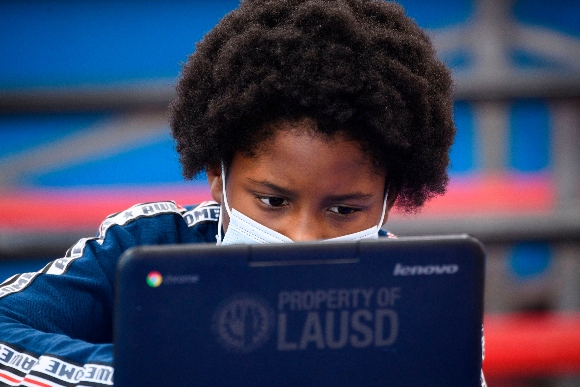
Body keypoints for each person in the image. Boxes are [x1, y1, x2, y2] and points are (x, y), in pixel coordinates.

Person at [0, 0, 469, 386]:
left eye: (344, 209)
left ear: (391, 196)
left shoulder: (418, 293)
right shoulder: (145, 246)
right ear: (217, 174)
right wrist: (165, 373)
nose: (302, 238)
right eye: (272, 201)